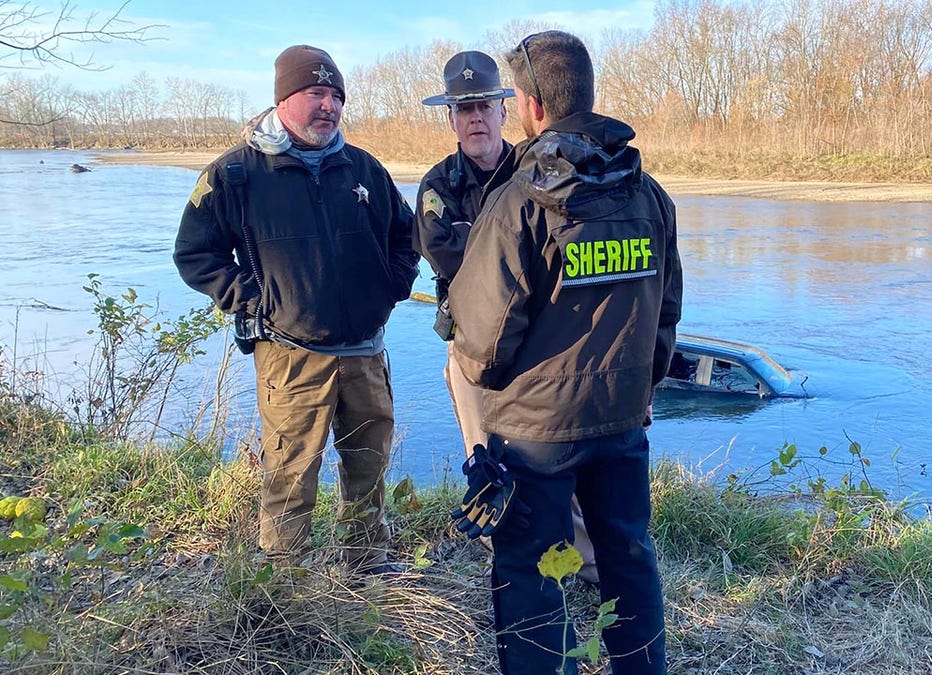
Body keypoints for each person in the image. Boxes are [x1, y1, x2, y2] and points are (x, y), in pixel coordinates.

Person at [448, 30, 683, 674]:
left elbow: (481, 340)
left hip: (535, 436)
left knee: (530, 573)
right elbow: (667, 312)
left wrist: (484, 388)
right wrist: (640, 389)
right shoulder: (647, 194)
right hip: (622, 422)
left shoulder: (521, 200)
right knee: (627, 557)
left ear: (530, 106)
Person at [173, 45, 420, 576]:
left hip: (366, 354)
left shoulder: (364, 169)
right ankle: (283, 587)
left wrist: (393, 285)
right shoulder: (236, 174)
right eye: (316, 93)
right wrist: (257, 300)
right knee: (289, 475)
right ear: (284, 98)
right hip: (291, 357)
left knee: (368, 470)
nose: (328, 106)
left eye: (336, 96)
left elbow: (408, 235)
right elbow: (195, 254)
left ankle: (366, 569)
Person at [414, 50, 598, 583]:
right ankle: (513, 562)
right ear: (452, 119)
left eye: (484, 107)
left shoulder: (539, 167)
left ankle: (587, 566)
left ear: (503, 110)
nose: (474, 118)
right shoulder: (436, 186)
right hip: (472, 342)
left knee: (559, 454)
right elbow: (443, 252)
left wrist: (504, 248)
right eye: (463, 109)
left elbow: (566, 242)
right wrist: (518, 249)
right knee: (487, 459)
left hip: (544, 340)